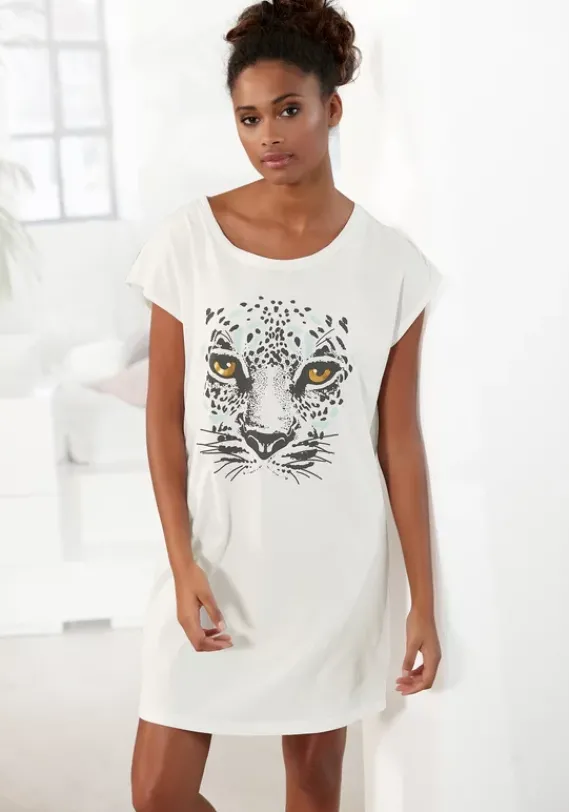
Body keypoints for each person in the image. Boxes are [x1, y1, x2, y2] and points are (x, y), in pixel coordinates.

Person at [126, 0, 443, 809]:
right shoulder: (187, 242)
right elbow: (162, 422)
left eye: (288, 109)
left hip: (333, 573)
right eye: (248, 118)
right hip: (215, 562)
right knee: (157, 793)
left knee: (311, 784)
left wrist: (421, 602)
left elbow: (397, 444)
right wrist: (181, 562)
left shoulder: (391, 264)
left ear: (331, 108)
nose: (268, 134)